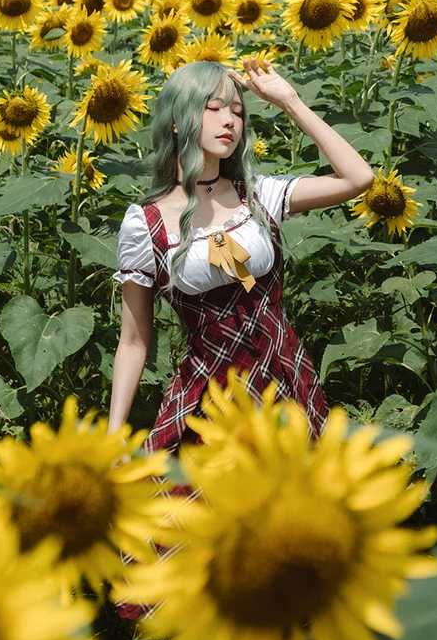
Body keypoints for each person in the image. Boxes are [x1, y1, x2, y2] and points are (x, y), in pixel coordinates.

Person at [107, 56, 374, 449]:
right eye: (213, 108)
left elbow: (359, 178)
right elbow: (133, 340)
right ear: (177, 121)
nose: (229, 120)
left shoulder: (258, 194)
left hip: (285, 385)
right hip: (211, 399)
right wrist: (114, 436)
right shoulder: (144, 224)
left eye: (237, 111)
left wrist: (290, 101)